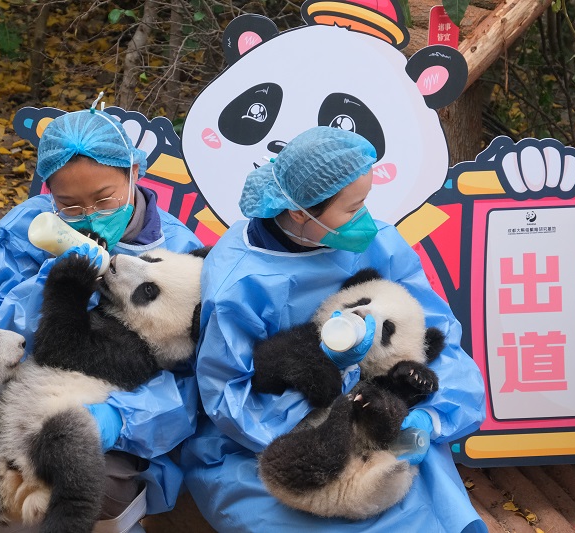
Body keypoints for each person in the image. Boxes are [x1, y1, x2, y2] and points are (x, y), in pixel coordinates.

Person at [182, 127, 487, 532]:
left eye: (364, 203)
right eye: (352, 208)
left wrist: (430, 417)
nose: (364, 219)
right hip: (268, 439)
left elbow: (433, 334)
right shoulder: (239, 282)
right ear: (299, 212)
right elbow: (230, 399)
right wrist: (331, 387)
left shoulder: (379, 243)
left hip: (383, 415)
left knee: (425, 509)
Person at [0, 108, 202, 529]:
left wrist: (121, 418)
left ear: (134, 172)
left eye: (104, 198)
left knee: (89, 490)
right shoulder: (23, 229)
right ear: (49, 194)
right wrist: (53, 281)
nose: (90, 214)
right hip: (16, 398)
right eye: (70, 205)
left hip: (112, 409)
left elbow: (191, 379)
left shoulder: (180, 249)